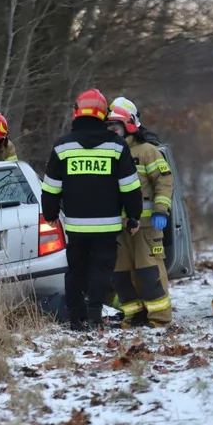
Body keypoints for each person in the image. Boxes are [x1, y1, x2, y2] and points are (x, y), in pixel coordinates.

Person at [41, 89, 143, 331]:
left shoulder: (62, 146)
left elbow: (51, 187)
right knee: (101, 269)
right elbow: (130, 187)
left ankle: (76, 318)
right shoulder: (117, 146)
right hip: (108, 225)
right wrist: (134, 216)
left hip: (76, 226)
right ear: (103, 114)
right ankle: (95, 315)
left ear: (77, 112)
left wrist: (51, 214)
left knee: (76, 270)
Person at [105, 103, 174, 328]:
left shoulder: (146, 151)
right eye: (108, 128)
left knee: (149, 273)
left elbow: (164, 181)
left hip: (146, 225)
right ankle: (134, 315)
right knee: (121, 275)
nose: (111, 132)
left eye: (115, 128)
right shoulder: (108, 154)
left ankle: (159, 318)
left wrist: (161, 211)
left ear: (128, 127)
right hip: (119, 227)